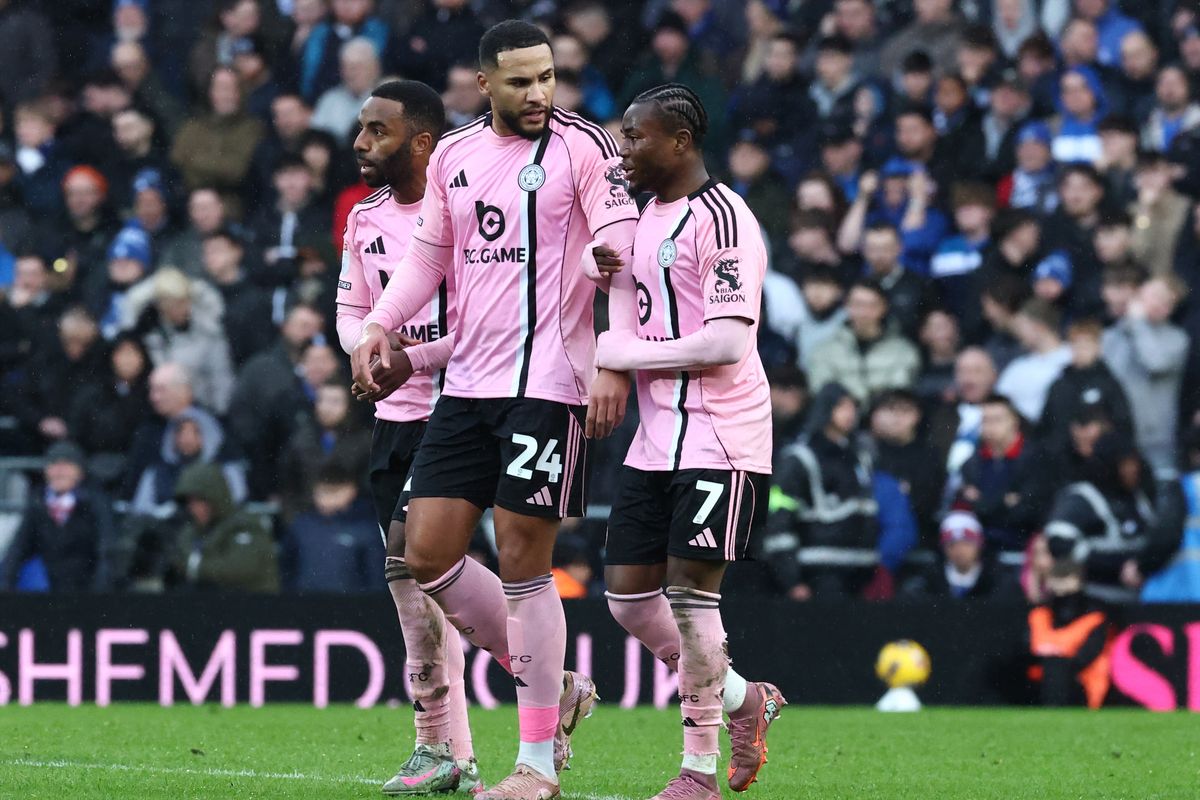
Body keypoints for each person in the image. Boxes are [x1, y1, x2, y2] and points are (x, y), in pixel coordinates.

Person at [351, 23, 636, 799]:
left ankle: (536, 766)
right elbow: (429, 258)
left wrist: (611, 355)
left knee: (522, 560)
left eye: (546, 77)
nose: (539, 93)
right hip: (467, 386)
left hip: (547, 382)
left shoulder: (586, 148)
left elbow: (619, 246)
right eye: (520, 82)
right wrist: (379, 324)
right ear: (486, 84)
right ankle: (554, 681)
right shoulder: (455, 155)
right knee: (427, 551)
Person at [591, 84, 784, 800]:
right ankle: (743, 699)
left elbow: (728, 340)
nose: (625, 150)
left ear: (680, 140)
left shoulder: (727, 218)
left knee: (690, 598)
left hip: (722, 437)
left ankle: (696, 773)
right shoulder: (642, 217)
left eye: (637, 137)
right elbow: (611, 281)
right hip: (655, 440)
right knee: (626, 600)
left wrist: (618, 358)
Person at [332, 79, 481, 794]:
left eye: (376, 131)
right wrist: (365, 351)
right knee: (412, 588)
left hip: (460, 411)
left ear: (420, 140)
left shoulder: (468, 215)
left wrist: (405, 358)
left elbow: (492, 323)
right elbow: (353, 307)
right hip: (393, 420)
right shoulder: (365, 220)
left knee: (418, 563)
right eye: (361, 129)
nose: (360, 143)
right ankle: (449, 752)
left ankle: (544, 687)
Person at [1102, 275, 1190, 479]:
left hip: (1154, 442)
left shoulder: (1177, 340)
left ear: (1169, 308)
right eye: (1148, 292)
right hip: (1117, 435)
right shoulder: (1114, 334)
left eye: (1159, 297)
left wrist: (1138, 324)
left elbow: (1155, 362)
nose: (1148, 299)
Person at [0, 441, 114, 592]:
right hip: (53, 590)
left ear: (80, 471)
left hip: (88, 590)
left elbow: (107, 552)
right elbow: (17, 550)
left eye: (66, 465)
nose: (59, 472)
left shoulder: (96, 502)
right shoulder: (38, 504)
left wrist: (100, 595)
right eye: (54, 464)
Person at [957, 393, 1055, 553]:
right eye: (985, 420)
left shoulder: (1037, 459)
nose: (989, 426)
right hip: (980, 548)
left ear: (1014, 422)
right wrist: (1004, 501)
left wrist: (983, 502)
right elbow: (964, 507)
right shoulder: (971, 464)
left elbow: (1027, 514)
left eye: (997, 420)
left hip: (1021, 546)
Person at [168, 462, 279, 593]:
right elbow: (177, 559)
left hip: (254, 606)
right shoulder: (191, 531)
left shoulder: (246, 525)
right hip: (210, 607)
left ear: (214, 497)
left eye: (199, 500)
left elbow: (240, 568)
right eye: (189, 502)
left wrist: (193, 567)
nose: (193, 508)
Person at [806, 279, 921, 404]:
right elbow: (822, 392)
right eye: (857, 305)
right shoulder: (824, 350)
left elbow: (901, 392)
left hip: (886, 417)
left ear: (884, 307)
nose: (863, 312)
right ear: (846, 306)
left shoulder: (904, 351)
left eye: (871, 305)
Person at [901, 510, 1019, 599]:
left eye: (966, 543)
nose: (959, 550)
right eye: (952, 544)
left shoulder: (999, 581)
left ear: (979, 545)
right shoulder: (927, 582)